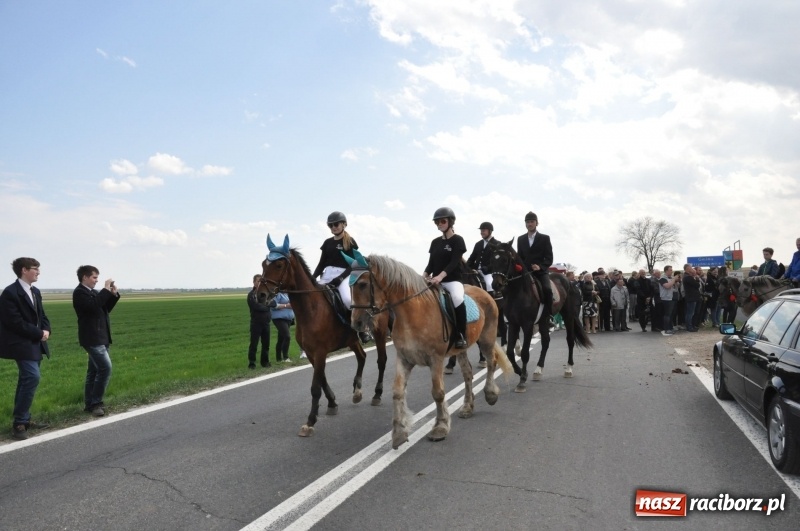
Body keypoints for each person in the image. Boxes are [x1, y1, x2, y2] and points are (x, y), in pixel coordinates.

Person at [0, 258, 51, 440]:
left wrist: (46, 330)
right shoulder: (10, 293)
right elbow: (14, 322)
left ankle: (23, 419)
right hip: (20, 343)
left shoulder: (35, 291)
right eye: (35, 269)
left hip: (36, 342)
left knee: (25, 381)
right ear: (24, 270)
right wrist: (38, 333)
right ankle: (20, 423)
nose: (38, 272)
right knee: (32, 377)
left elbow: (42, 315)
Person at [312, 211, 370, 343]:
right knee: (315, 296)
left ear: (344, 224)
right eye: (330, 225)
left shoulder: (349, 241)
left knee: (347, 299)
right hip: (328, 274)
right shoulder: (327, 243)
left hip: (344, 274)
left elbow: (354, 263)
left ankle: (361, 329)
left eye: (336, 224)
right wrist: (312, 277)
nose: (333, 227)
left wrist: (340, 278)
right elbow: (321, 264)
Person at [72, 265, 121, 417]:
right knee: (105, 368)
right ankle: (96, 403)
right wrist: (105, 290)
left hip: (102, 337)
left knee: (93, 372)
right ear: (85, 277)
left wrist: (112, 295)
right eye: (94, 277)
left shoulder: (92, 292)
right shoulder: (79, 293)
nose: (96, 281)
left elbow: (104, 309)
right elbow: (93, 307)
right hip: (92, 338)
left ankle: (89, 404)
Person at [424, 207, 468, 352]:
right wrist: (423, 276)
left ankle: (461, 334)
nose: (439, 224)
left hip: (453, 281)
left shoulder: (458, 240)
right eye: (437, 222)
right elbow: (431, 264)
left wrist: (440, 277)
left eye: (442, 221)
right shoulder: (435, 242)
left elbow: (454, 262)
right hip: (436, 280)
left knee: (456, 297)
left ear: (450, 221)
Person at [465, 221, 499, 367]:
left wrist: (486, 269)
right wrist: (468, 268)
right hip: (476, 271)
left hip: (488, 273)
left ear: (490, 231)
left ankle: (495, 302)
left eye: (484, 230)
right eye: (481, 230)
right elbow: (472, 258)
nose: (482, 232)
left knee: (490, 283)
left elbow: (497, 263)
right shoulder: (478, 244)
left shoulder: (496, 244)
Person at [516, 211, 554, 329]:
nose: (529, 224)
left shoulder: (544, 238)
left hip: (540, 272)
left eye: (532, 222)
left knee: (547, 289)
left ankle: (548, 316)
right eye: (527, 222)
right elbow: (520, 257)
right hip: (526, 272)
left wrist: (540, 267)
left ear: (537, 223)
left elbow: (549, 258)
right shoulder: (520, 239)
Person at [247, 274, 272, 369]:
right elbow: (256, 307)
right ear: (254, 282)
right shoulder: (251, 295)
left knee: (266, 344)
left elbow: (273, 303)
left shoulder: (265, 294)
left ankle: (265, 362)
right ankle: (252, 363)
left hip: (266, 322)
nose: (259, 283)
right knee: (254, 344)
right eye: (258, 281)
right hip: (256, 323)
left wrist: (266, 306)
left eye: (261, 281)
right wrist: (267, 306)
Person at [271, 291, 294, 363]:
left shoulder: (286, 294)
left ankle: (278, 359)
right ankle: (285, 357)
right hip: (279, 318)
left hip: (288, 319)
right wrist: (286, 306)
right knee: (287, 336)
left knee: (281, 338)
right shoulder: (277, 294)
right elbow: (273, 305)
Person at [658, 266, 679, 336]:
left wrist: (676, 282)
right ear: (666, 271)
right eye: (670, 270)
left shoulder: (670, 278)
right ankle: (666, 329)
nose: (671, 271)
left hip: (671, 297)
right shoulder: (662, 279)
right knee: (667, 314)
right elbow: (667, 286)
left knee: (671, 314)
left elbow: (675, 288)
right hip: (666, 298)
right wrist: (673, 279)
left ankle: (670, 327)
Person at [682, 264, 701, 332]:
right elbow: (697, 285)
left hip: (692, 297)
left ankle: (692, 325)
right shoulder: (688, 277)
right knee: (690, 313)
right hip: (691, 297)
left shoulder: (688, 277)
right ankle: (689, 327)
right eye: (690, 268)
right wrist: (696, 279)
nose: (692, 269)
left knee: (691, 312)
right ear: (687, 268)